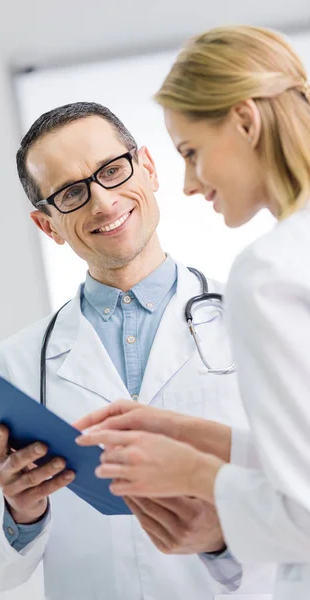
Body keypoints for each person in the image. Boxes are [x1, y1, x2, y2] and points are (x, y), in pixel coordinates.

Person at [0, 102, 274, 599]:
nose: (102, 203)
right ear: (47, 226)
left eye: (112, 170)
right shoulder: (16, 366)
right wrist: (19, 509)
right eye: (71, 193)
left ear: (147, 167)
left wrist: (226, 531)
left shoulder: (261, 320)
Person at [75, 27, 310, 600]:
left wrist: (193, 474)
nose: (187, 183)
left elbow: (302, 514)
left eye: (191, 152)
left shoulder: (271, 273)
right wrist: (207, 439)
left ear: (246, 121)